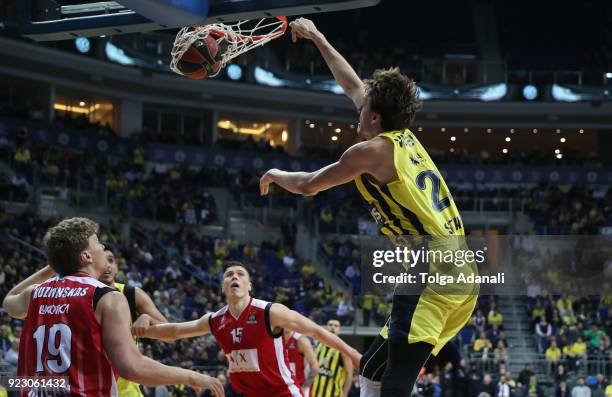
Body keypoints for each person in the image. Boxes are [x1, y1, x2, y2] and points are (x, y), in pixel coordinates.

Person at [260, 17, 478, 397]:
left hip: (433, 263)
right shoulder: (399, 137)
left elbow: (311, 185)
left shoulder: (370, 152)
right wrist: (318, 38)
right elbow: (352, 84)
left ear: (374, 117)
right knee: (373, 368)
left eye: (364, 107)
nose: (357, 107)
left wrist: (276, 173)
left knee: (398, 376)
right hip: (461, 268)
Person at [2, 217, 223, 397]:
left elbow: (8, 301)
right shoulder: (107, 297)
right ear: (86, 256)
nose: (102, 248)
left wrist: (55, 264)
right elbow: (131, 367)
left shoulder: (35, 294)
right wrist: (192, 376)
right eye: (98, 244)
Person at [134, 262, 361, 397]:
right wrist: (139, 329)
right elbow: (175, 332)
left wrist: (352, 353)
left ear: (249, 286)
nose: (234, 276)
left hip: (281, 393)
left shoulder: (270, 312)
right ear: (223, 285)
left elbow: (317, 332)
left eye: (241, 274)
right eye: (229, 274)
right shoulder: (215, 319)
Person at [99, 245, 169, 397]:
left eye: (110, 261)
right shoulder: (79, 295)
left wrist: (147, 318)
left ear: (117, 267)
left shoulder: (132, 294)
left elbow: (169, 334)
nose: (107, 266)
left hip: (127, 390)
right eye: (102, 261)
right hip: (91, 386)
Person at [311, 319, 353, 397]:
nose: (332, 327)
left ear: (339, 330)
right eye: (330, 325)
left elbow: (349, 374)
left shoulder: (343, 350)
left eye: (336, 325)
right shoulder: (317, 346)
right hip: (313, 393)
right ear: (326, 328)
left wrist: (345, 393)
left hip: (334, 394)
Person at [283, 328, 319, 395]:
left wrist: (305, 387)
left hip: (300, 388)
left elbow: (315, 367)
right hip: (283, 387)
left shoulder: (301, 340)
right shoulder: (276, 339)